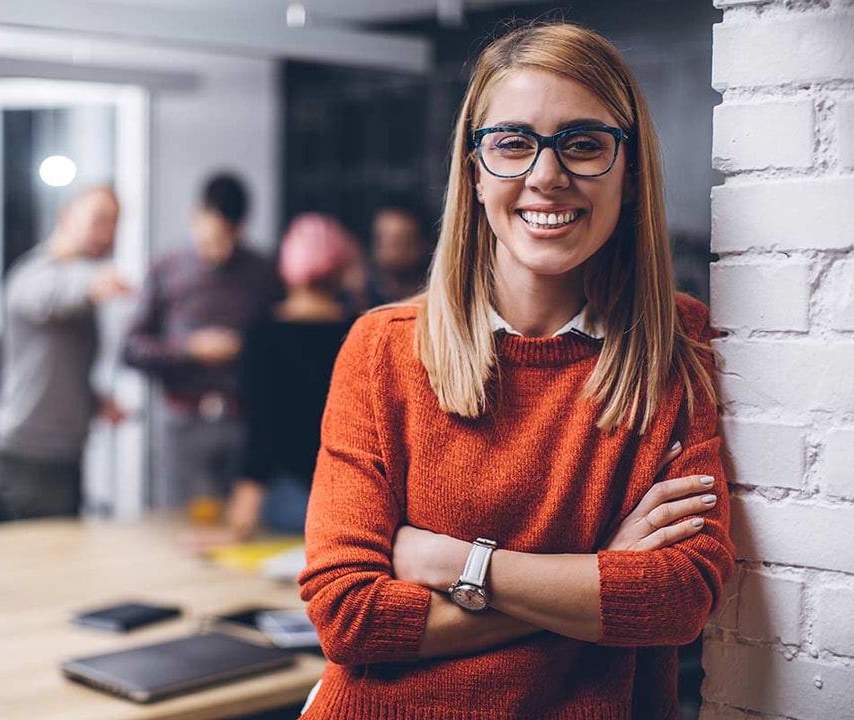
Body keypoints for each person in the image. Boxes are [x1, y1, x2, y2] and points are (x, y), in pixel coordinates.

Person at [297, 21, 734, 719]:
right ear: (474, 172)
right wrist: (599, 573)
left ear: (630, 174)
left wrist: (459, 566)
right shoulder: (382, 349)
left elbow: (677, 598)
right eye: (512, 143)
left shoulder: (676, 345)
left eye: (584, 144)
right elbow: (349, 616)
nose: (546, 176)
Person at [122, 173, 283, 510]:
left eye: (230, 238)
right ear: (195, 216)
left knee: (244, 523)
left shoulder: (262, 271)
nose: (220, 251)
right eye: (213, 237)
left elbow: (280, 346)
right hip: (183, 419)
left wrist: (246, 349)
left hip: (243, 419)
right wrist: (189, 348)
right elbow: (131, 348)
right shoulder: (166, 268)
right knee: (179, 521)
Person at [0, 186, 129, 519]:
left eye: (114, 224)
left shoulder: (78, 279)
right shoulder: (33, 273)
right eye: (99, 220)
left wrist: (94, 401)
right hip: (29, 451)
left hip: (67, 449)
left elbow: (63, 367)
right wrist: (92, 285)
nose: (107, 234)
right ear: (66, 216)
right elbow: (51, 298)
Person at [217, 213, 359, 542]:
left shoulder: (262, 335)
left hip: (289, 496)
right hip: (351, 495)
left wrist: (241, 516)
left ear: (286, 266)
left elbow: (261, 430)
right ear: (341, 266)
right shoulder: (361, 331)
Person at [367, 200, 432, 306]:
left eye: (400, 242)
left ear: (422, 245)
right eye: (382, 241)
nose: (390, 252)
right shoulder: (360, 299)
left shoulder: (434, 301)